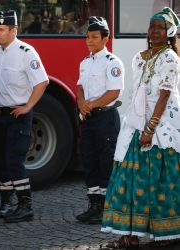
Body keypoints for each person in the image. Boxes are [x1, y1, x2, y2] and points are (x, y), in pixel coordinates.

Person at [101, 7, 180, 248]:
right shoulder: (138, 57)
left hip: (161, 127)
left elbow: (164, 95)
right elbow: (138, 93)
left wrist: (150, 128)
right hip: (134, 125)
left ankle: (167, 232)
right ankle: (129, 234)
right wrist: (138, 126)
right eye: (152, 26)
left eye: (160, 27)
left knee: (159, 179)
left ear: (170, 33)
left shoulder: (170, 58)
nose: (154, 31)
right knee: (127, 177)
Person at [0, 10, 49, 223]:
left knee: (14, 160)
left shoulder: (26, 52)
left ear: (13, 30)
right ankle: (6, 202)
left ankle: (25, 206)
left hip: (18, 115)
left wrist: (28, 107)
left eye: (1, 29)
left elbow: (42, 82)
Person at [76, 16, 124, 224]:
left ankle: (106, 207)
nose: (90, 41)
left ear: (105, 39)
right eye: (88, 37)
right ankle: (93, 204)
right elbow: (80, 87)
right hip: (88, 118)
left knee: (106, 162)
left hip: (105, 118)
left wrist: (91, 105)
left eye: (95, 37)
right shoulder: (85, 62)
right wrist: (80, 102)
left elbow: (114, 92)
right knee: (89, 161)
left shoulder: (113, 62)